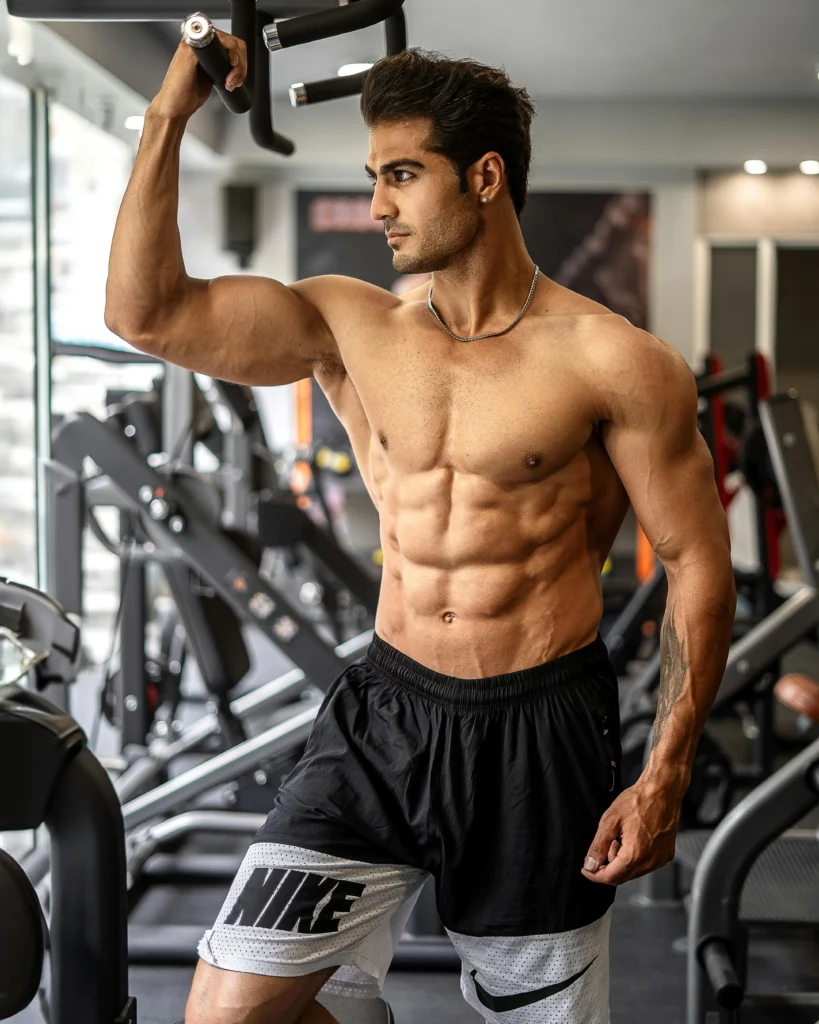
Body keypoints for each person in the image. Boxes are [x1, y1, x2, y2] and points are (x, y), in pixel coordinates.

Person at [104, 34, 736, 1024]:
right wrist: (165, 118)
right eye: (373, 177)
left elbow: (699, 562)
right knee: (227, 1013)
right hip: (385, 714)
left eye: (401, 175)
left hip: (540, 731)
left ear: (484, 177)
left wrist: (666, 775)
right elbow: (146, 316)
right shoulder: (351, 327)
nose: (377, 207)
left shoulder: (616, 361)